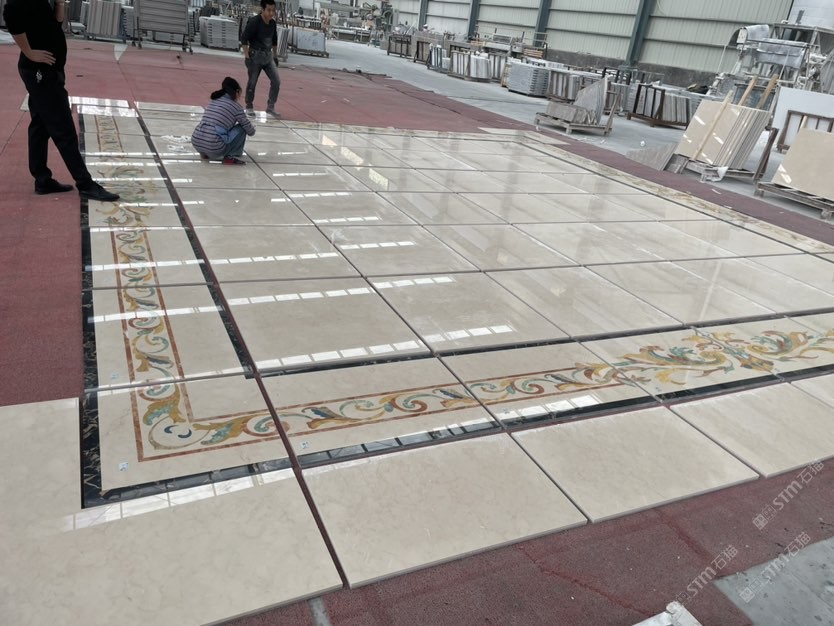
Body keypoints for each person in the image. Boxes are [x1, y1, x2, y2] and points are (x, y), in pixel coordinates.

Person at [3, 0, 119, 201]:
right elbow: (11, 15)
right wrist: (29, 52)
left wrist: (60, 3)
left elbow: (55, 22)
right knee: (63, 127)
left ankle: (42, 179)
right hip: (39, 71)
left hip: (50, 69)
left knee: (40, 125)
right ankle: (85, 184)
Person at [191, 77, 255, 165]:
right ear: (237, 92)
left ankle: (205, 153)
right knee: (242, 127)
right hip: (214, 147)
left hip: (196, 142)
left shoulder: (214, 100)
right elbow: (250, 132)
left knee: (216, 127)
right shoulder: (237, 107)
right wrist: (252, 127)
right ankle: (230, 155)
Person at [240, 0, 281, 119]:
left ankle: (271, 107)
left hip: (268, 57)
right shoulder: (255, 22)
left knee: (276, 81)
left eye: (273, 10)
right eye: (269, 10)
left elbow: (274, 41)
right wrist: (247, 56)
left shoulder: (272, 24)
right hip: (255, 56)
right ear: (262, 9)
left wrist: (275, 56)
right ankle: (249, 106)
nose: (271, 13)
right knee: (252, 82)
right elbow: (244, 39)